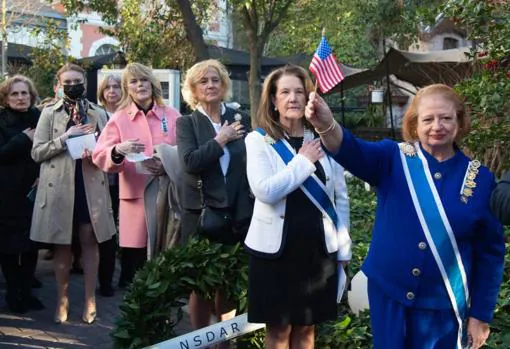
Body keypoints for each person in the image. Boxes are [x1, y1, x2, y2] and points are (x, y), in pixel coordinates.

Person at [304, 83, 505, 349]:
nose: (437, 126)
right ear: (414, 123)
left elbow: (490, 253)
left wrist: (480, 315)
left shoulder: (480, 179)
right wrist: (326, 124)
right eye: (428, 119)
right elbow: (351, 150)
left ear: (459, 121)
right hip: (389, 296)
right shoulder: (393, 158)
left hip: (442, 306)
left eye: (446, 118)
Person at [243, 65, 351, 349]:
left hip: (317, 250)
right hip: (275, 254)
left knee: (306, 332)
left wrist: (344, 248)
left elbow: (340, 197)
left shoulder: (324, 138)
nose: (293, 98)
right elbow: (265, 191)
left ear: (308, 98)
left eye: (299, 92)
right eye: (285, 92)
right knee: (278, 333)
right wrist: (303, 162)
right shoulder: (258, 140)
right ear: (274, 100)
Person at [30, 63, 116, 324]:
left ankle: (90, 299)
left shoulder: (98, 113)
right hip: (58, 186)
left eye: (76, 81)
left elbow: (109, 151)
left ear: (85, 83)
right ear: (59, 85)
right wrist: (66, 137)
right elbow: (37, 153)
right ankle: (62, 299)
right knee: (62, 243)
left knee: (89, 238)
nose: (72, 86)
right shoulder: (48, 113)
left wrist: (98, 151)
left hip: (90, 182)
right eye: (67, 82)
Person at [177, 59, 253, 348]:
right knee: (202, 284)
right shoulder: (186, 123)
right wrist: (220, 139)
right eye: (203, 81)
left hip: (237, 212)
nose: (210, 85)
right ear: (193, 89)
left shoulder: (238, 118)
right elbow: (190, 162)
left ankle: (224, 341)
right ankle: (201, 341)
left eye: (215, 80)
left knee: (229, 282)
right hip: (201, 213)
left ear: (224, 85)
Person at [93, 63, 179, 287]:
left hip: (166, 195)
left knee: (164, 253)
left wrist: (168, 164)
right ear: (127, 88)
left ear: (152, 84)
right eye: (134, 81)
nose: (140, 85)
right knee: (134, 260)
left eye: (144, 80)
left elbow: (186, 151)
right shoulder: (119, 118)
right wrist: (118, 151)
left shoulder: (171, 115)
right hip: (135, 197)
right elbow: (100, 154)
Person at [0, 75, 45, 313]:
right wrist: (23, 139)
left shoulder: (40, 118)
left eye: (24, 93)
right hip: (7, 193)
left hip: (35, 190)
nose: (20, 98)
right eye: (14, 94)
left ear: (31, 95)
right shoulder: (1, 120)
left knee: (31, 244)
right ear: (6, 98)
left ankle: (27, 292)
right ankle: (13, 293)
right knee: (8, 247)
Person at [96, 74, 122, 297]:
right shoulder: (95, 114)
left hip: (127, 180)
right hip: (102, 181)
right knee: (106, 231)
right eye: (108, 87)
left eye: (116, 87)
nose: (112, 91)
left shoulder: (128, 114)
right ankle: (105, 280)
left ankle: (123, 276)